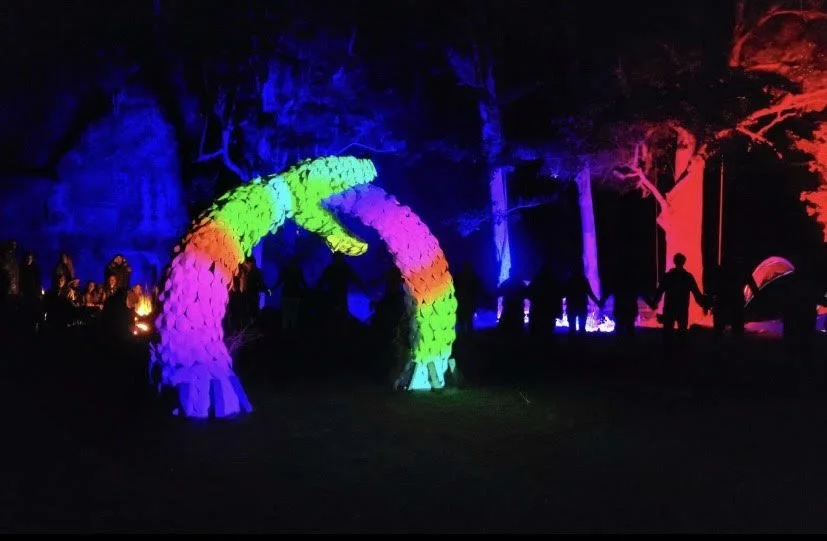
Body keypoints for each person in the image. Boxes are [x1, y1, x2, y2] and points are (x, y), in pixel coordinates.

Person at [649, 253, 707, 350]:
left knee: (667, 335)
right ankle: (681, 356)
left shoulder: (668, 276)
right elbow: (697, 294)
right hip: (682, 308)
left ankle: (667, 356)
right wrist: (705, 304)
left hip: (669, 308)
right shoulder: (688, 277)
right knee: (682, 333)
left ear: (674, 261)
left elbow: (659, 292)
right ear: (684, 262)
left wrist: (654, 303)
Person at [527, 262, 563, 339]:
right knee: (548, 330)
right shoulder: (554, 281)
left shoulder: (537, 280)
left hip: (538, 309)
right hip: (549, 310)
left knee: (536, 332)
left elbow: (528, 292)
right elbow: (560, 294)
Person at [273, 258, 308, 331]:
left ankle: (287, 331)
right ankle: (291, 331)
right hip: (293, 295)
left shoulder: (287, 271)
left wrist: (272, 289)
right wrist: (308, 290)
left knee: (287, 314)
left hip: (288, 295)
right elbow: (303, 282)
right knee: (293, 314)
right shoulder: (298, 271)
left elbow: (280, 281)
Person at [564, 268, 601, 337]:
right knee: (581, 328)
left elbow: (564, 293)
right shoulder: (583, 280)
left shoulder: (569, 280)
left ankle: (573, 345)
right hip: (581, 305)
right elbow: (590, 293)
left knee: (572, 329)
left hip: (572, 306)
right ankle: (581, 345)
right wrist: (598, 303)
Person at [454, 262, 484, 336]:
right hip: (467, 303)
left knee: (464, 320)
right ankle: (467, 336)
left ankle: (464, 336)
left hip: (463, 302)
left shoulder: (460, 277)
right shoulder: (473, 277)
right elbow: (479, 289)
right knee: (467, 320)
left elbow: (454, 289)